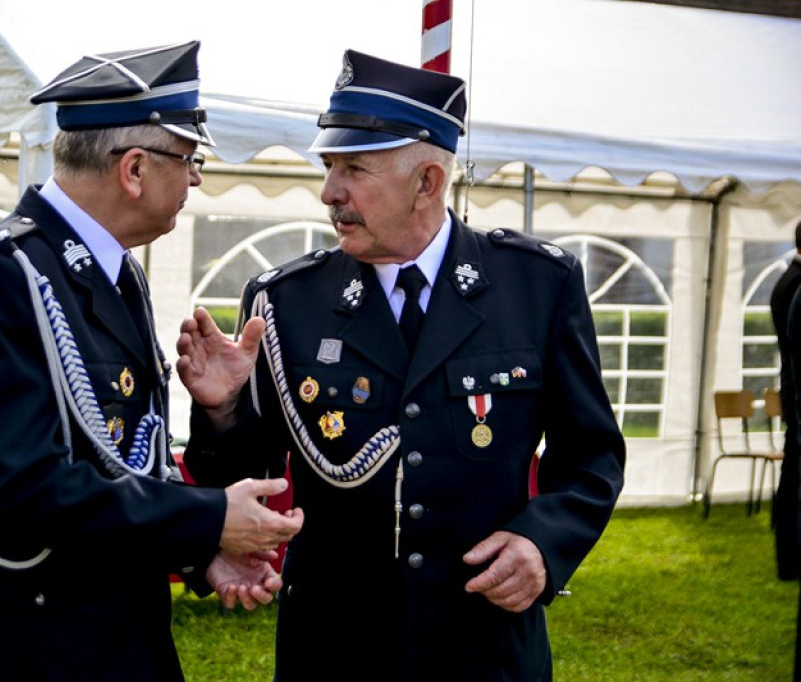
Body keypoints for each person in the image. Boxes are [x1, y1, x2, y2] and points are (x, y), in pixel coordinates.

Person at [177, 49, 625, 681]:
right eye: (329, 166)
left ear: (427, 183)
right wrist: (222, 413)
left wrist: (542, 543)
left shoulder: (535, 285)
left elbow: (590, 456)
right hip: (335, 650)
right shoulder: (284, 300)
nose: (329, 192)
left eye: (353, 169)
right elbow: (257, 479)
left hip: (482, 646)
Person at [0, 42, 302, 682]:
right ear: (133, 169)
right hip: (30, 655)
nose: (196, 179)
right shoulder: (0, 274)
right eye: (189, 160)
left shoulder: (115, 274)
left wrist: (200, 541)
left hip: (121, 645)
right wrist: (208, 522)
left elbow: (125, 459)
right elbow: (20, 493)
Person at [770, 219, 801, 582]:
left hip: (792, 389)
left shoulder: (788, 278)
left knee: (792, 471)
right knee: (794, 474)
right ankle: (791, 559)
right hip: (796, 391)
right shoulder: (795, 282)